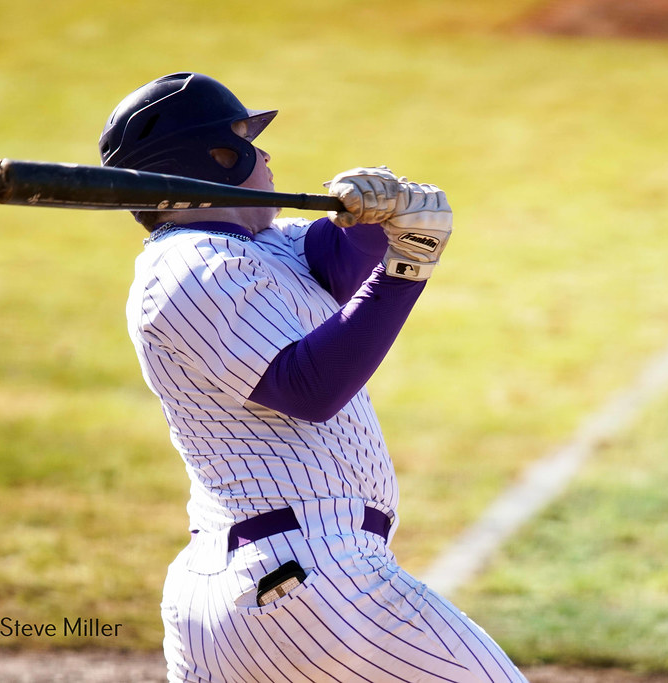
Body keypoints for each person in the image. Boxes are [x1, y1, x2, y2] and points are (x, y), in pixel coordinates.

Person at [99, 72, 528, 683]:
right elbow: (310, 389)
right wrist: (407, 269)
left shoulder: (255, 246)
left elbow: (335, 257)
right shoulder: (189, 267)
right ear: (216, 159)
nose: (267, 155)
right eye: (247, 140)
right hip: (309, 580)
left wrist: (382, 210)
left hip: (261, 583)